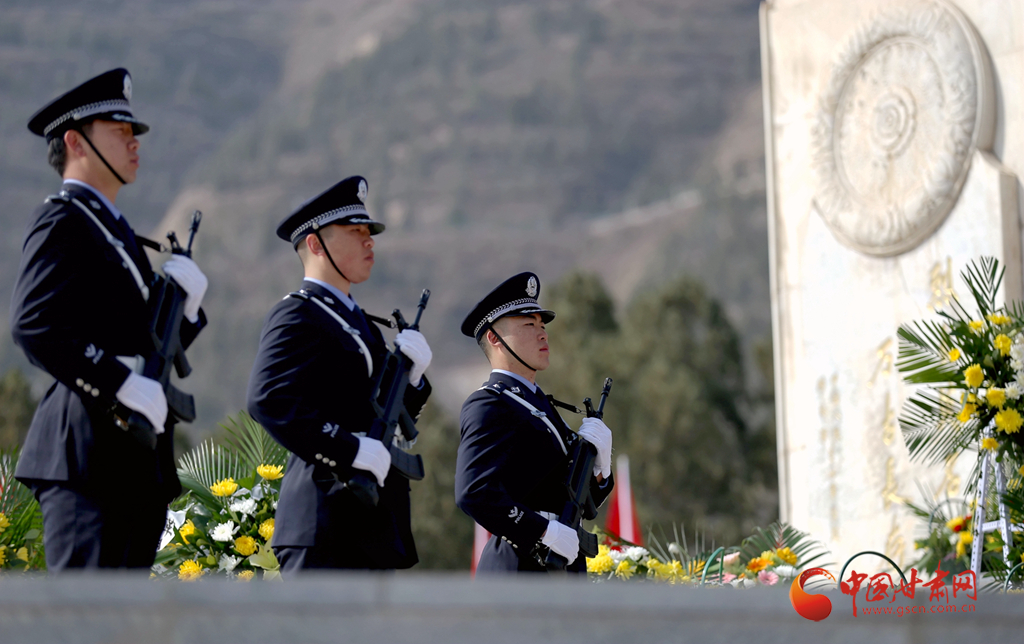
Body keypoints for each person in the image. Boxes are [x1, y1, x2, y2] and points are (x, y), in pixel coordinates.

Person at [11, 68, 209, 571]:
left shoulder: (113, 231)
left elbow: (137, 341)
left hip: (132, 458)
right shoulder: (64, 218)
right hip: (85, 454)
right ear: (75, 141)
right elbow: (34, 324)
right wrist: (117, 380)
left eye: (134, 132)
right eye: (119, 131)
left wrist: (183, 313)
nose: (134, 141)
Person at [247, 176, 433, 573]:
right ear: (316, 244)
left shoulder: (361, 324)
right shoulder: (297, 313)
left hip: (371, 523)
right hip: (322, 520)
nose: (369, 241)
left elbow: (387, 412)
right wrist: (349, 448)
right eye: (355, 231)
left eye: (370, 232)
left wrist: (413, 380)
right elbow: (268, 399)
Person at [455, 272, 615, 573]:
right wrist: (543, 530)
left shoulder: (540, 405)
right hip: (519, 565)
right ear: (494, 337)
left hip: (560, 566)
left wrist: (600, 470)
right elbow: (474, 492)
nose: (543, 334)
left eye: (542, 326)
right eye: (529, 325)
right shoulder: (489, 404)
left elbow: (579, 502)